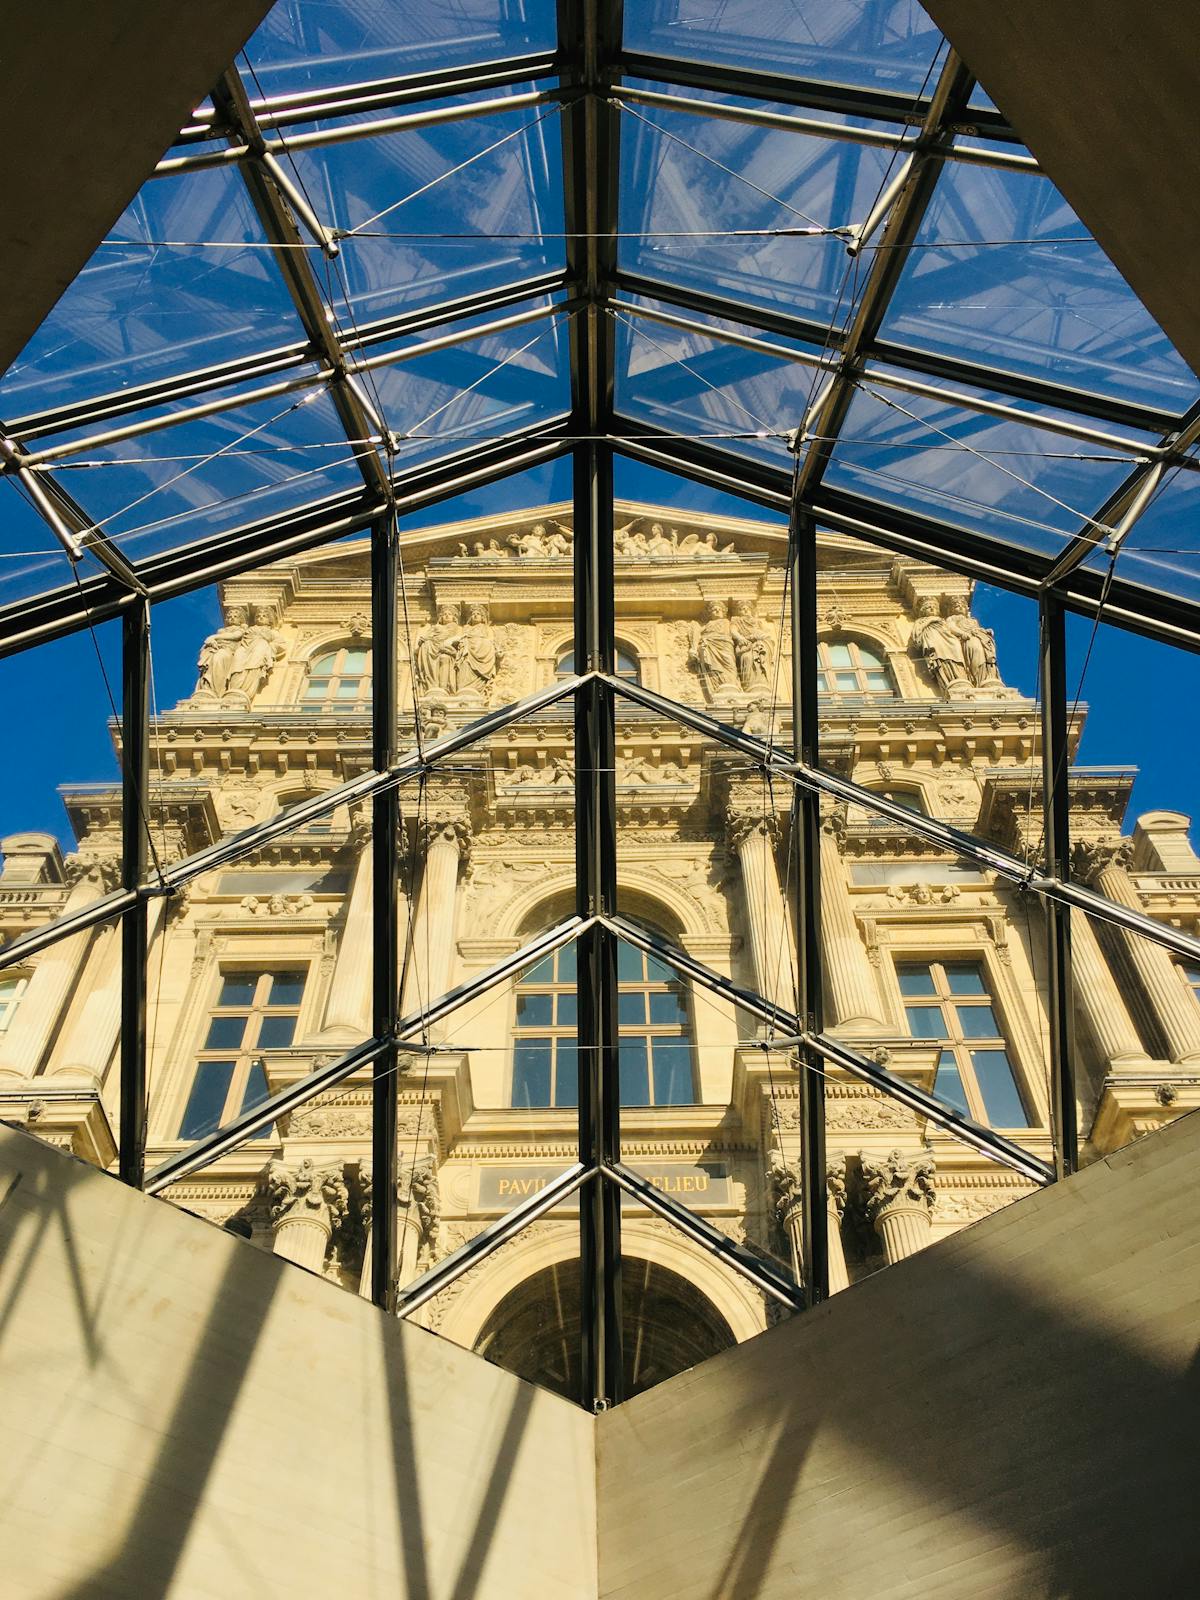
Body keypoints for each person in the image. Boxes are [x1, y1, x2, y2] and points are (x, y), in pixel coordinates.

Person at [687, 600, 740, 699]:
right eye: (713, 610)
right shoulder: (708, 624)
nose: (716, 611)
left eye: (719, 609)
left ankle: (731, 684)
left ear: (723, 612)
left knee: (729, 665)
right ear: (709, 613)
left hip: (725, 645)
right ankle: (719, 685)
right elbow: (697, 631)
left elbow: (734, 633)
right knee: (714, 667)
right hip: (711, 646)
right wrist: (694, 648)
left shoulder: (727, 622)